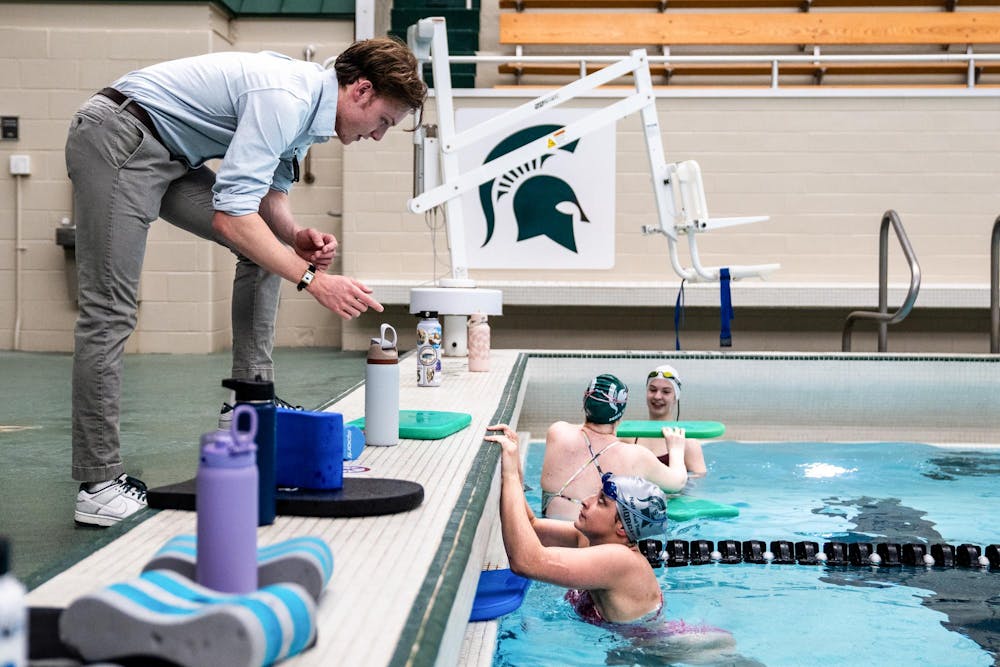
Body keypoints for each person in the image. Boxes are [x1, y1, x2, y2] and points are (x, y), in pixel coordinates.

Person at [66, 38, 427, 526]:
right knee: (110, 310)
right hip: (119, 137)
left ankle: (247, 399)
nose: (379, 135)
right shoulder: (287, 98)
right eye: (384, 121)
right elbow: (233, 219)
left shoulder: (313, 109)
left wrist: (294, 236)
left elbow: (265, 198)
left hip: (170, 155)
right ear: (362, 91)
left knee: (265, 254)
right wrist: (314, 280)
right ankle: (98, 484)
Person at [486, 424, 668, 624]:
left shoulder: (622, 560)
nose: (586, 501)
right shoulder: (589, 538)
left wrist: (509, 476)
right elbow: (531, 527)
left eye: (600, 502)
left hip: (654, 649)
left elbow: (526, 562)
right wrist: (515, 468)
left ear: (622, 528)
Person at [541, 374, 688, 521]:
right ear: (620, 413)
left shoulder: (557, 432)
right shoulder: (635, 456)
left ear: (585, 402)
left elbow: (585, 430)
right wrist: (676, 449)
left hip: (551, 531)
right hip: (598, 541)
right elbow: (678, 482)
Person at [630, 364, 707, 476]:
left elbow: (699, 485)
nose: (657, 396)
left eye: (666, 392)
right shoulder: (630, 437)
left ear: (675, 397)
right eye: (652, 390)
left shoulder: (688, 442)